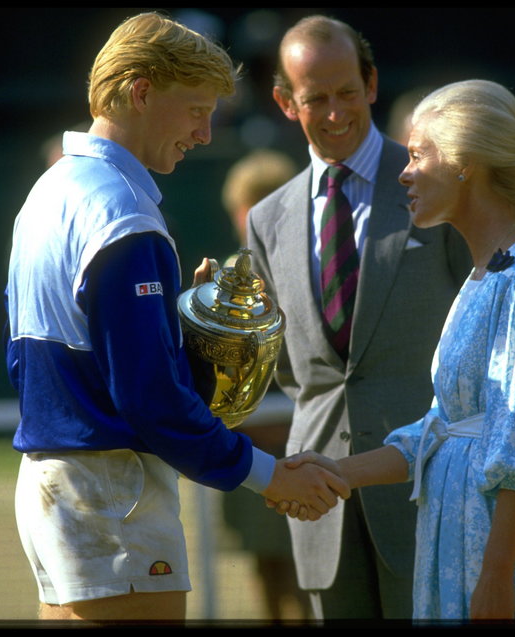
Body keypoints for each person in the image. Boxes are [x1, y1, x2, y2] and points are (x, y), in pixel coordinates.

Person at [4, 12, 349, 623]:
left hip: (53, 487)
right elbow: (148, 398)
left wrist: (178, 329)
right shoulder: (121, 210)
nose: (206, 132)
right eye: (196, 108)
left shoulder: (47, 192)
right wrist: (270, 476)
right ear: (141, 92)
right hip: (114, 496)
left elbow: (45, 364)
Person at [281, 79, 515, 622]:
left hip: (502, 560)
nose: (403, 173)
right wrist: (336, 471)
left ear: (463, 162)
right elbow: (440, 431)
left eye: (416, 154)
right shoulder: (485, 276)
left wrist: (496, 576)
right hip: (457, 543)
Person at [246, 15, 471, 620]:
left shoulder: (437, 183)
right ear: (284, 103)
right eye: (315, 97)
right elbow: (296, 373)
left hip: (431, 493)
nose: (335, 111)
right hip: (318, 506)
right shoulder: (267, 219)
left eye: (347, 91)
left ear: (371, 83)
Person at [217, 149, 311, 620]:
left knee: (305, 569)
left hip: (301, 443)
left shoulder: (306, 266)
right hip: (250, 449)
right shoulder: (226, 278)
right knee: (265, 566)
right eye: (242, 206)